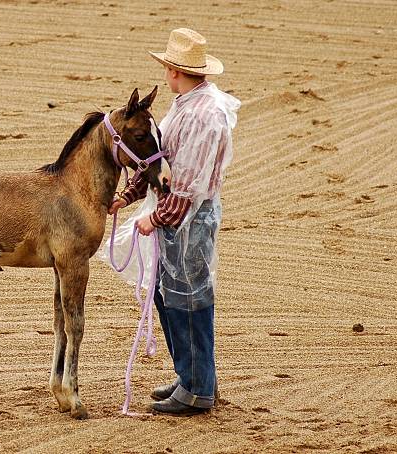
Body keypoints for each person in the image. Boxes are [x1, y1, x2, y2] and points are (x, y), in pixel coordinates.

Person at [108, 28, 240, 415]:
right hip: (183, 217)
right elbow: (160, 161)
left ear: (172, 70)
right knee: (170, 294)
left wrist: (156, 218)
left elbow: (189, 184)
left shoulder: (203, 115)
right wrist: (128, 196)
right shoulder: (190, 104)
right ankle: (192, 377)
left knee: (187, 297)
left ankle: (198, 387)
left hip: (189, 220)